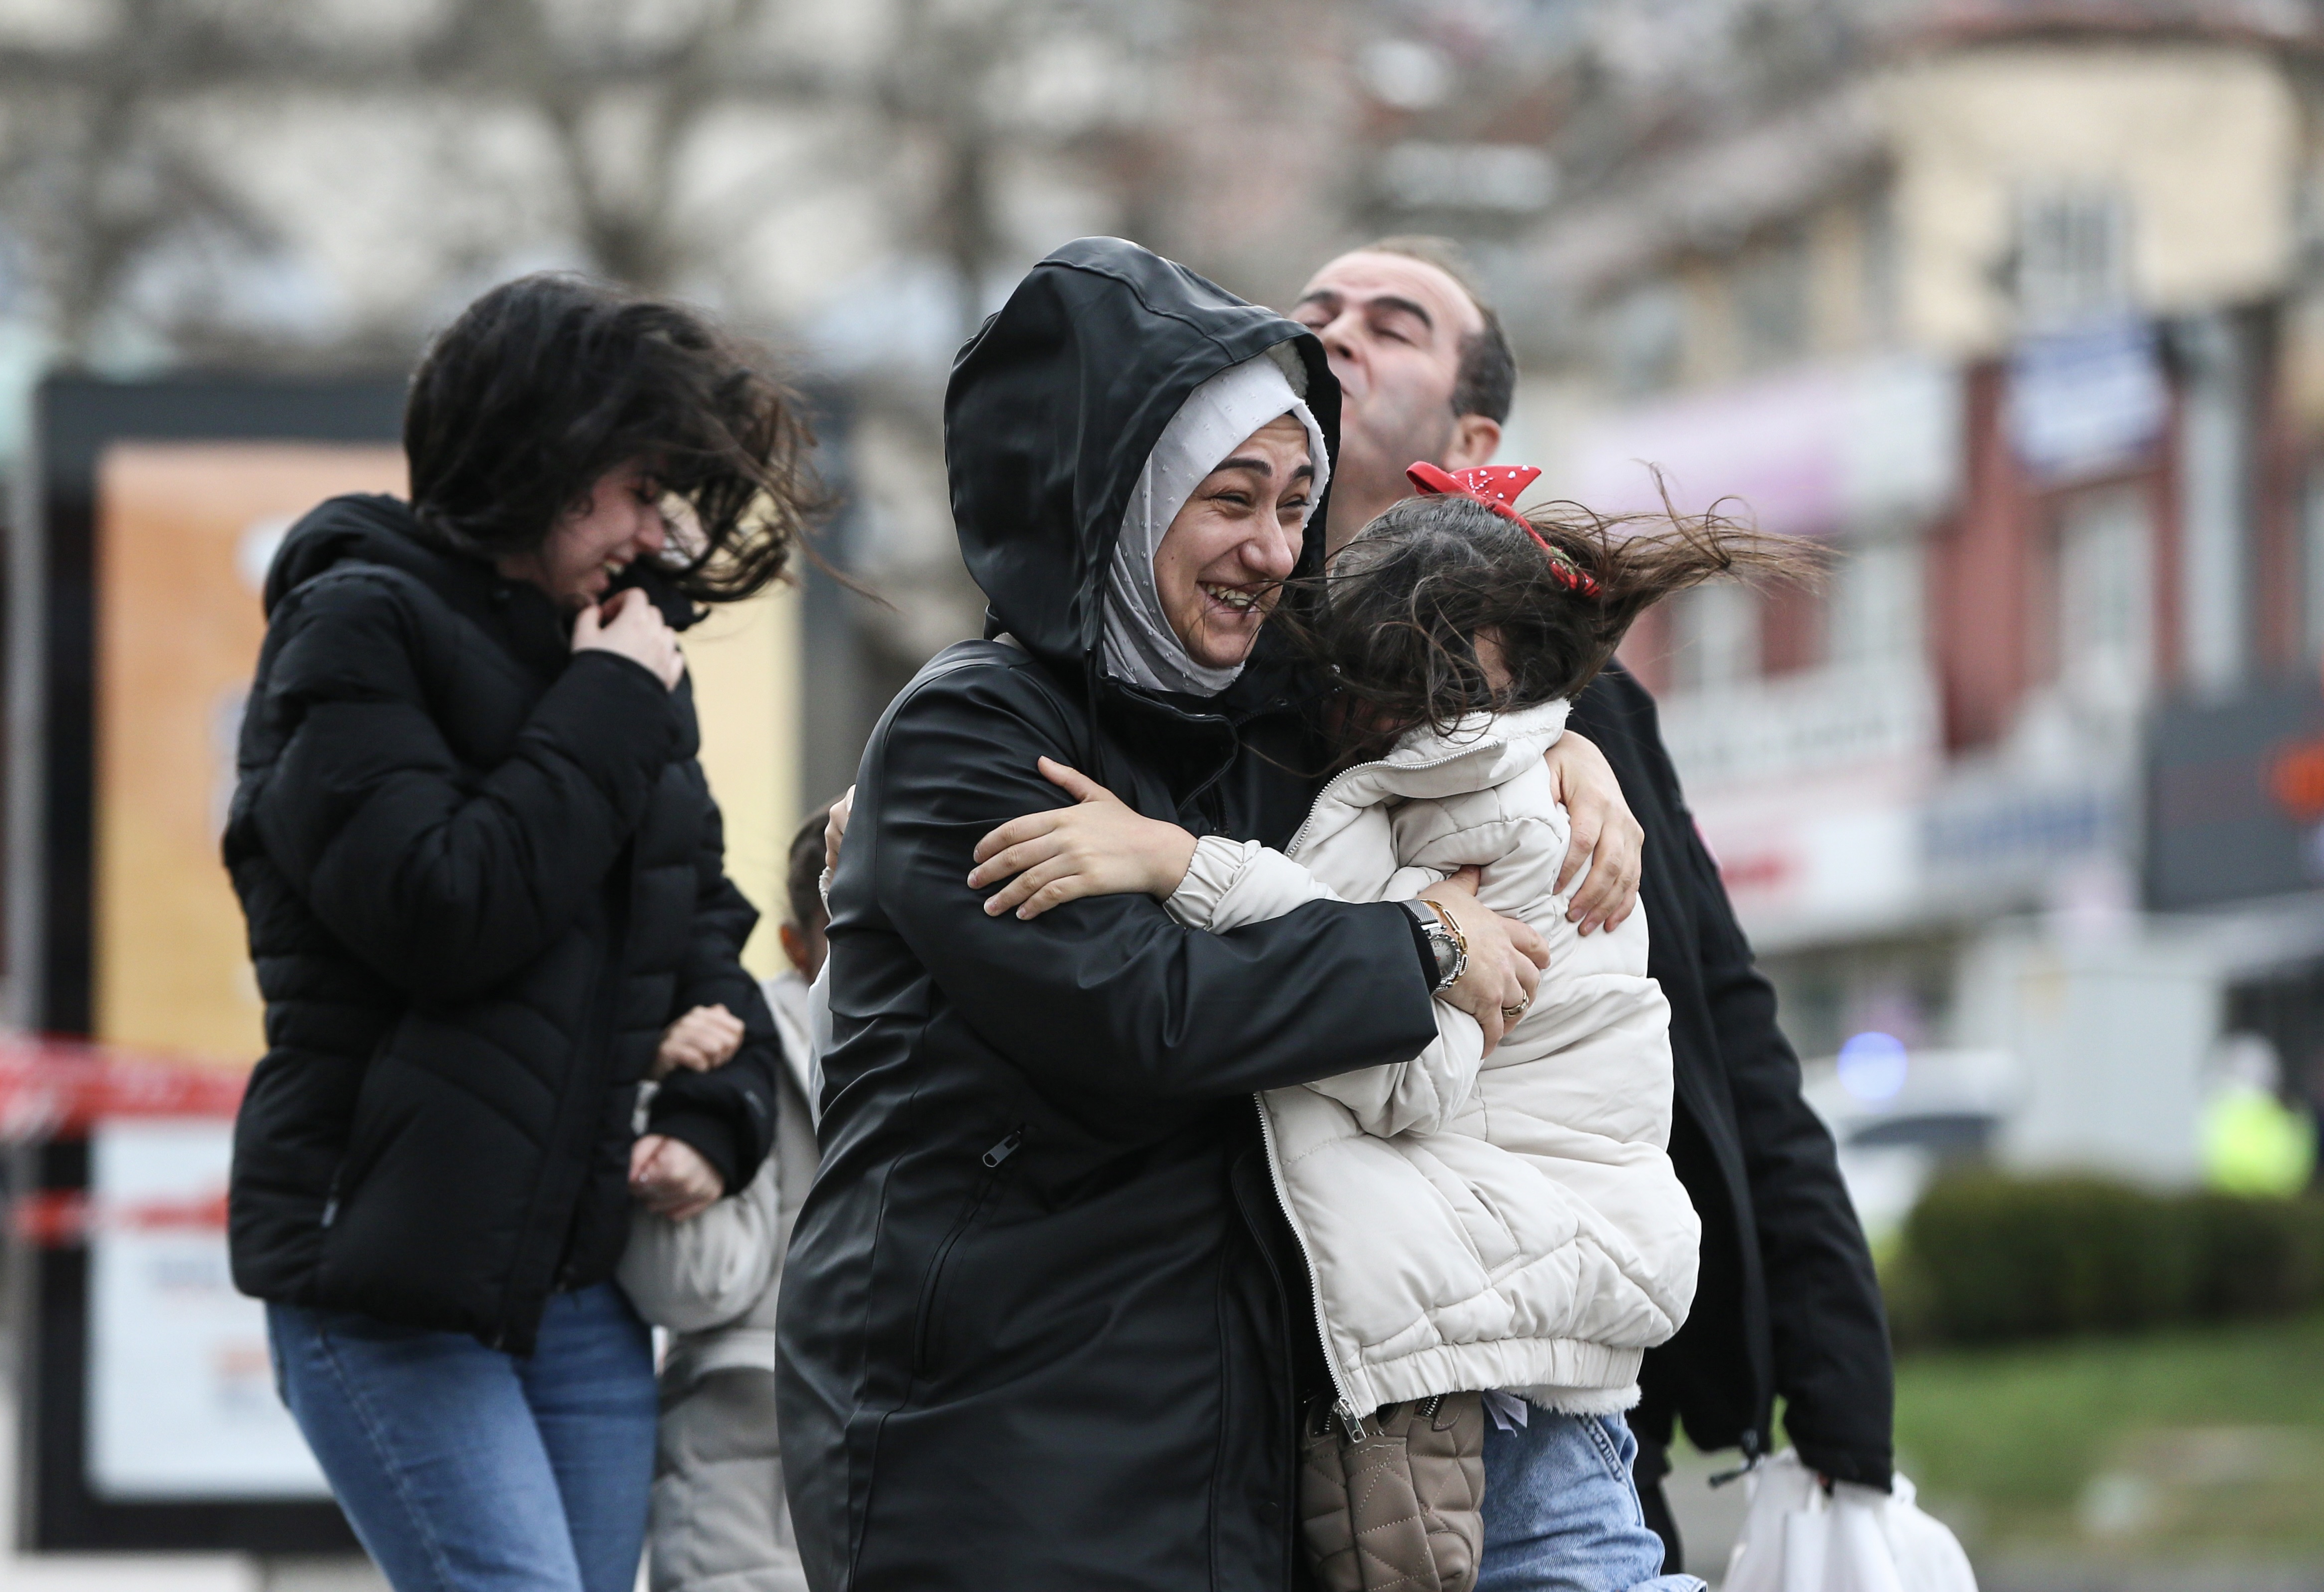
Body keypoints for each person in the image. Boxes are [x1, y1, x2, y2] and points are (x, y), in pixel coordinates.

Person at [776, 237, 1560, 1592]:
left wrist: (1578, 762)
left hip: (1225, 1447)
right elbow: (1140, 1011)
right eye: (1234, 498)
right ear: (1118, 497)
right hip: (987, 1435)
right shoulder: (970, 731)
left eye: (1298, 503)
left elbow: (1468, 737)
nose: (1273, 550)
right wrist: (1417, 944)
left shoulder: (1263, 731)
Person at [969, 462, 1813, 1592]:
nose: (1375, 716)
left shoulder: (1502, 814)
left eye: (1420, 685)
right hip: (1482, 1314)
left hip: (1500, 1362)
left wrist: (1181, 865)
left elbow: (1398, 1068)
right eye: (1365, 682)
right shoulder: (1449, 782)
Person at [1291, 236, 1898, 1565]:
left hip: (1574, 1375)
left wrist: (1838, 1377)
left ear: (1475, 431)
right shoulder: (1222, 663)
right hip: (1324, 1375)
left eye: (1393, 323)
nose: (1337, 331)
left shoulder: (1601, 716)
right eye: (1315, 312)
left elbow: (1726, 1027)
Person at [224, 274, 812, 1592]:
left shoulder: (620, 654)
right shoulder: (357, 623)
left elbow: (702, 929)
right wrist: (605, 698)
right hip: (384, 1271)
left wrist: (711, 1124)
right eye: (631, 485)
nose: (655, 527)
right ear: (536, 461)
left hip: (575, 1284)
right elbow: (445, 910)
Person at [643, 806, 830, 1592]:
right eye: (853, 928)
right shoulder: (732, 1053)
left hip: (918, 1470)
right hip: (745, 1476)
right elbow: (686, 1284)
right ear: (795, 949)